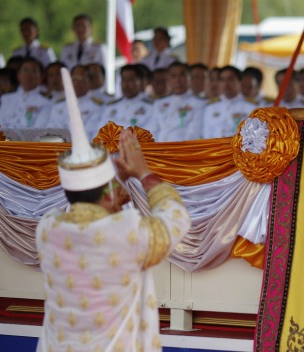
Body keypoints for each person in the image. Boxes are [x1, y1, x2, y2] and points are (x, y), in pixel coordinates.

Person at [36, 76, 190, 350]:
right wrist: (143, 171)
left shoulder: (47, 229)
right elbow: (176, 217)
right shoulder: (126, 230)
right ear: (108, 193)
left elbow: (88, 215)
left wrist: (111, 190)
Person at [43, 65, 104, 138]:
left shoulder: (97, 106)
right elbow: (51, 131)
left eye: (82, 79)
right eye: (75, 79)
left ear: (89, 82)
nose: (77, 83)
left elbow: (92, 133)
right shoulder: (58, 106)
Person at [151, 62, 206, 142]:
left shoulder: (199, 103)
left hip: (182, 150)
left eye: (182, 75)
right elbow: (153, 130)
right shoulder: (159, 103)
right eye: (173, 76)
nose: (178, 80)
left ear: (190, 78)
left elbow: (193, 133)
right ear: (168, 80)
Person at [0, 57, 51, 129]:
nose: (28, 74)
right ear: (18, 75)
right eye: (25, 70)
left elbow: (39, 128)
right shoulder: (7, 98)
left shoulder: (46, 100)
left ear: (41, 77)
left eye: (33, 71)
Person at [202, 65, 257, 139]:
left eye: (230, 79)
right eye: (222, 80)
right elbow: (206, 133)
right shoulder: (211, 106)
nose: (226, 83)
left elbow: (252, 136)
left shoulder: (251, 107)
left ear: (240, 82)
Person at [100, 64, 154, 132]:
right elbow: (101, 132)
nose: (126, 84)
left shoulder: (151, 107)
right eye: (123, 80)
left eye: (130, 80)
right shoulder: (111, 106)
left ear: (140, 82)